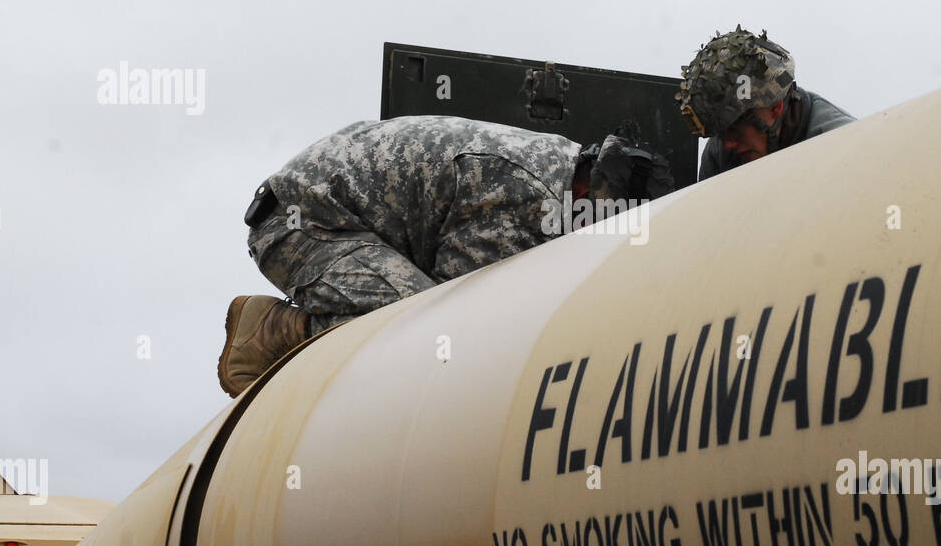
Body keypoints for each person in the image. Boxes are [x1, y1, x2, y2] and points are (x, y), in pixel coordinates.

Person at [216, 115, 671, 397]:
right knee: (424, 325)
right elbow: (463, 310)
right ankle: (276, 330)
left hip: (341, 217)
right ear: (592, 196)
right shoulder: (530, 199)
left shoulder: (565, 169)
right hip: (301, 225)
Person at [674, 26, 855, 179]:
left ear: (775, 107)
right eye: (721, 134)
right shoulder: (719, 153)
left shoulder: (840, 146)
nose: (728, 144)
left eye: (735, 129)